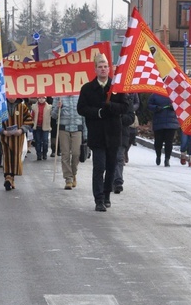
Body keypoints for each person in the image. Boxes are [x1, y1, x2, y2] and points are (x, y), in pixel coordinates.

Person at [77, 54, 129, 212]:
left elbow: (126, 107)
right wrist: (98, 112)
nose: (103, 69)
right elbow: (82, 109)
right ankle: (98, 198)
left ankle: (107, 194)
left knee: (111, 167)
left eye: (105, 66)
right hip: (97, 134)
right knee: (99, 167)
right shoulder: (87, 88)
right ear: (95, 69)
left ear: (110, 68)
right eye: (100, 66)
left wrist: (111, 106)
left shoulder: (117, 87)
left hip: (114, 134)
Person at [0, 98, 33, 190]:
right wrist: (3, 131)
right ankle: (7, 177)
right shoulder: (1, 106)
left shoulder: (22, 106)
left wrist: (21, 130)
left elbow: (29, 120)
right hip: (5, 136)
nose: (12, 98)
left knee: (15, 157)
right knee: (6, 156)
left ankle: (12, 178)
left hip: (18, 137)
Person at [55, 94, 84, 190]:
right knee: (65, 154)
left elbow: (84, 115)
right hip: (64, 128)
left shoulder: (80, 96)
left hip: (77, 128)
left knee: (76, 153)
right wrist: (58, 108)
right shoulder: (59, 96)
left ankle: (73, 173)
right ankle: (68, 179)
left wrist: (86, 133)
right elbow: (54, 115)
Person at [113, 93, 137, 194]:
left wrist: (119, 117)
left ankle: (118, 181)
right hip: (109, 133)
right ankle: (110, 180)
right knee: (110, 158)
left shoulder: (128, 100)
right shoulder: (109, 98)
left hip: (123, 134)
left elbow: (131, 118)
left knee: (119, 158)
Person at [148, 93, 179, 167]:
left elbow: (180, 105)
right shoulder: (155, 94)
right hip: (159, 121)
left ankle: (167, 159)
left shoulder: (174, 93)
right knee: (158, 142)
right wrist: (155, 107)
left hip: (171, 122)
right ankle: (158, 155)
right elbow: (149, 105)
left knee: (169, 142)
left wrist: (174, 107)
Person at [31, 96, 52, 161]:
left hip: (45, 126)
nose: (41, 99)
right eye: (40, 98)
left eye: (43, 98)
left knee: (45, 141)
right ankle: (39, 155)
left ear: (45, 99)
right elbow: (32, 115)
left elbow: (53, 115)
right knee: (38, 141)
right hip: (37, 126)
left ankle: (45, 154)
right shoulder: (34, 106)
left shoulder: (49, 107)